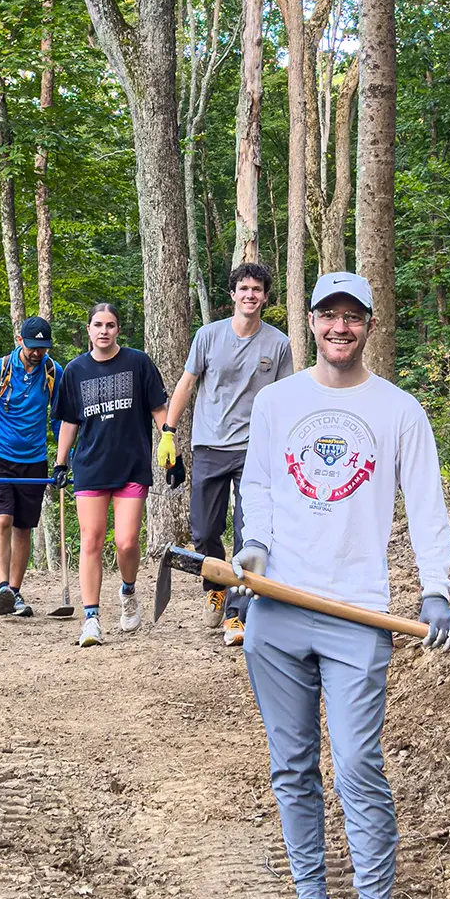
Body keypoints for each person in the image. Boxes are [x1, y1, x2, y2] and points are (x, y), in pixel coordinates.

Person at [235, 271, 450, 899]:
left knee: (359, 766)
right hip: (276, 609)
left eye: (352, 316)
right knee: (291, 764)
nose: (339, 327)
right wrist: (254, 554)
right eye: (327, 314)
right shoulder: (276, 403)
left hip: (359, 614)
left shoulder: (398, 411)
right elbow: (259, 486)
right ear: (308, 321)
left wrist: (436, 589)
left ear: (369, 324)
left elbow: (425, 502)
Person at [163, 259, 290, 649]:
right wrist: (168, 432)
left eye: (257, 290)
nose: (250, 295)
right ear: (232, 295)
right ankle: (216, 586)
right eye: (244, 289)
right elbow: (186, 384)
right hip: (209, 444)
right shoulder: (208, 336)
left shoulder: (278, 343)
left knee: (247, 531)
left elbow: (284, 400)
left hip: (255, 449)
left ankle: (237, 613)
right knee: (203, 531)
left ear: (265, 297)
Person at [53, 302, 170, 648]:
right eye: (98, 325)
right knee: (90, 539)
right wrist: (61, 463)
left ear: (119, 329)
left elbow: (158, 409)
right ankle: (91, 619)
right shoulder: (75, 371)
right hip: (90, 466)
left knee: (126, 542)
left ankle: (128, 590)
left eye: (110, 325)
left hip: (132, 465)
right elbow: (69, 421)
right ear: (88, 330)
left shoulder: (138, 363)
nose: (104, 330)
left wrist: (170, 443)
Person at [0, 316, 61, 617]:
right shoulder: (0, 369)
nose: (37, 353)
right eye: (32, 347)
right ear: (20, 341)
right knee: (1, 520)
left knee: (23, 527)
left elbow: (58, 419)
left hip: (34, 460)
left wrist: (65, 459)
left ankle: (15, 594)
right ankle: (2, 587)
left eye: (42, 348)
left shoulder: (53, 371)